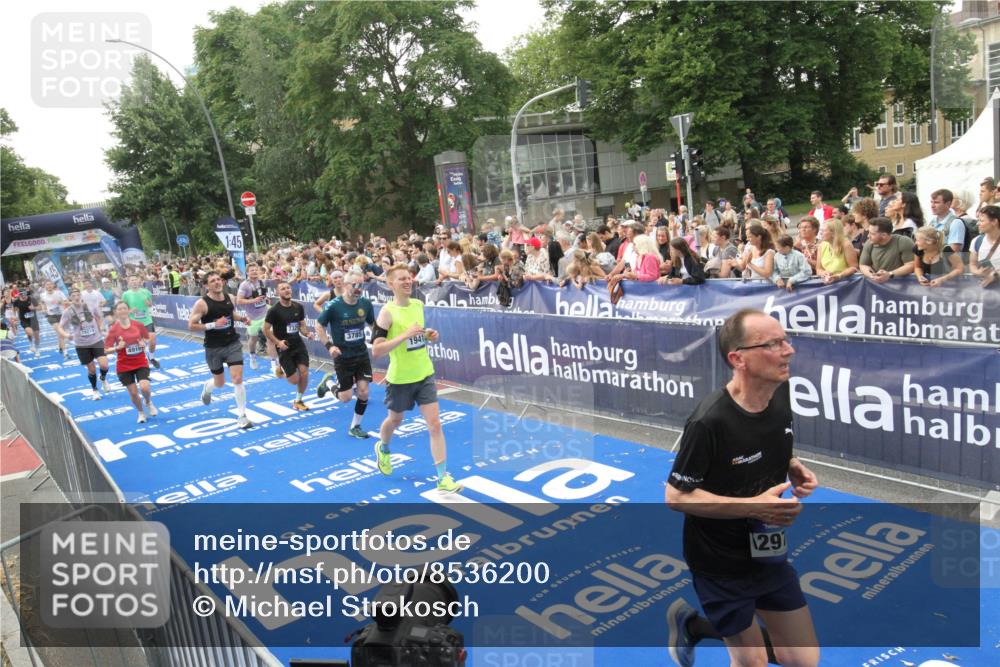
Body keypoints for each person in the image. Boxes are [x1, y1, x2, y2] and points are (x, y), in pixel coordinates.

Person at [665, 308, 819, 667]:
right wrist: (754, 507)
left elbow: (767, 442)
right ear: (738, 359)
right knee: (751, 663)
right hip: (719, 561)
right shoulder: (709, 421)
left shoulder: (779, 393)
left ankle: (695, 625)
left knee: (803, 660)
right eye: (773, 344)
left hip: (767, 552)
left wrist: (792, 465)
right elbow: (675, 496)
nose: (788, 350)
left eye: (786, 340)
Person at [370, 264, 462, 494]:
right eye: (401, 279)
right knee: (395, 420)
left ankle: (443, 478)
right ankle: (383, 447)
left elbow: (418, 336)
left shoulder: (419, 304)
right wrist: (405, 335)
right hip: (400, 378)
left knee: (435, 424)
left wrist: (428, 335)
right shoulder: (386, 312)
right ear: (391, 284)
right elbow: (377, 350)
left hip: (424, 373)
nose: (407, 281)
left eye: (409, 277)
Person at [187, 272, 254, 429]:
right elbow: (191, 325)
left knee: (237, 379)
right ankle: (207, 388)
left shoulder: (230, 297)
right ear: (206, 285)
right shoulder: (202, 304)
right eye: (212, 281)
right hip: (213, 347)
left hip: (232, 343)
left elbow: (231, 314)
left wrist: (242, 319)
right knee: (220, 383)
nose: (217, 282)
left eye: (218, 279)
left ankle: (242, 416)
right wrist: (212, 325)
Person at [315, 272, 376, 438]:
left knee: (363, 392)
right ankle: (329, 384)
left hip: (361, 354)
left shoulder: (365, 304)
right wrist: (329, 346)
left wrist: (379, 339)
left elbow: (373, 324)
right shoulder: (334, 306)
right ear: (345, 285)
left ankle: (355, 426)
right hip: (343, 357)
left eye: (361, 285)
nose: (358, 289)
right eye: (354, 285)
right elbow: (319, 326)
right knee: (346, 398)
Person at [263, 281, 316, 411]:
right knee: (294, 380)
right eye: (283, 288)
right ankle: (279, 366)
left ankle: (298, 400)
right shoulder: (274, 310)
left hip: (298, 344)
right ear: (278, 293)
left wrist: (307, 333)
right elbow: (266, 329)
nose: (286, 290)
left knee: (304, 372)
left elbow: (302, 325)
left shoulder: (298, 307)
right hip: (284, 347)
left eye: (288, 288)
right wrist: (278, 343)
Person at [105, 301, 157, 423]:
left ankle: (148, 402)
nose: (122, 311)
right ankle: (141, 413)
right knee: (133, 393)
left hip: (140, 362)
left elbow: (146, 338)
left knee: (145, 388)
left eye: (124, 308)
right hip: (124, 365)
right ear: (116, 312)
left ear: (129, 311)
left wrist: (144, 343)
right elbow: (106, 350)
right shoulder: (113, 330)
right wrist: (117, 348)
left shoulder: (138, 325)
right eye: (119, 309)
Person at [57, 288, 111, 400]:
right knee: (91, 369)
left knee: (104, 365)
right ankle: (95, 390)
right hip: (81, 344)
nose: (76, 297)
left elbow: (99, 316)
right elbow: (60, 327)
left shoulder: (90, 306)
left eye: (78, 295)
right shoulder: (68, 312)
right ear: (70, 298)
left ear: (81, 296)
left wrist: (101, 326)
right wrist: (66, 335)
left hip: (96, 340)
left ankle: (103, 378)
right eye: (74, 295)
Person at [236, 264, 279, 374]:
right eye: (252, 270)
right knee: (253, 339)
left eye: (256, 270)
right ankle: (252, 356)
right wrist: (253, 301)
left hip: (265, 314)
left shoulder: (262, 282)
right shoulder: (244, 285)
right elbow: (239, 301)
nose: (254, 272)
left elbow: (275, 282)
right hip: (253, 317)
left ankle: (274, 365)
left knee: (270, 339)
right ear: (247, 273)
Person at [859, 217, 915, 283]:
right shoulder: (869, 243)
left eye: (872, 234)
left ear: (884, 235)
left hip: (901, 285)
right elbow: (863, 265)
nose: (868, 236)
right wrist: (872, 276)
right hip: (877, 284)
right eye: (869, 232)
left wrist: (889, 274)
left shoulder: (903, 242)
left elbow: (911, 265)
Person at [122, 275, 159, 368]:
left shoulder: (145, 292)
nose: (134, 281)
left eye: (135, 279)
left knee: (153, 341)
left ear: (139, 281)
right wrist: (130, 311)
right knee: (139, 344)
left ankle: (151, 357)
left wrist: (149, 304)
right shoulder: (126, 294)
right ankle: (141, 362)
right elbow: (122, 310)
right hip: (134, 322)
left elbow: (151, 304)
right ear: (129, 283)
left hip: (147, 320)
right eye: (132, 280)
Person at [816, 219, 858, 285]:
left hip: (845, 283)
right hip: (827, 283)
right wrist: (824, 273)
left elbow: (854, 267)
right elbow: (818, 269)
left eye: (823, 231)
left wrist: (839, 275)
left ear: (833, 233)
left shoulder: (846, 245)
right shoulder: (821, 245)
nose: (820, 233)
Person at [39, 281, 71, 359]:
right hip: (51, 316)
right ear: (45, 286)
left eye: (50, 284)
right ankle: (65, 353)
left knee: (60, 334)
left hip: (61, 314)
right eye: (47, 284)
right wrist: (43, 309)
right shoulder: (42, 295)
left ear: (53, 285)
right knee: (60, 332)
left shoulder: (59, 293)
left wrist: (59, 302)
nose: (49, 286)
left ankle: (60, 346)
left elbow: (66, 302)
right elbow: (42, 304)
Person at [970, 204, 1000, 287]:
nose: (978, 223)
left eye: (981, 220)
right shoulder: (977, 241)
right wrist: (978, 272)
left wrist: (994, 275)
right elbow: (972, 264)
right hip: (985, 289)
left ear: (994, 221)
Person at [12, 285, 39, 357]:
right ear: (19, 295)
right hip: (24, 320)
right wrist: (14, 316)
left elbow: (40, 307)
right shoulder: (16, 301)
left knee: (30, 334)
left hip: (33, 319)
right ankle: (36, 350)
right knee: (29, 332)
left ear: (26, 293)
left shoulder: (31, 298)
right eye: (21, 295)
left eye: (24, 294)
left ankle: (32, 344)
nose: (23, 296)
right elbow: (14, 309)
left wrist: (34, 307)